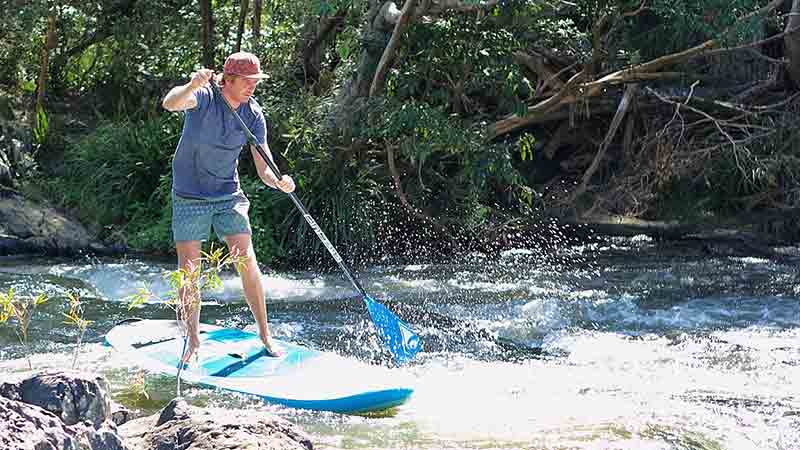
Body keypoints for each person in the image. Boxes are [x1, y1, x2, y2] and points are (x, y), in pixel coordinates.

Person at [162, 51, 294, 362]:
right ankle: (192, 341)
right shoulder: (205, 97)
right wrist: (191, 85)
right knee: (189, 269)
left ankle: (265, 334)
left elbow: (264, 166)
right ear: (229, 80)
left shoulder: (253, 113)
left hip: (227, 193)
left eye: (256, 81)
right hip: (189, 194)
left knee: (247, 259)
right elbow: (170, 102)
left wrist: (280, 180)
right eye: (247, 81)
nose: (252, 86)